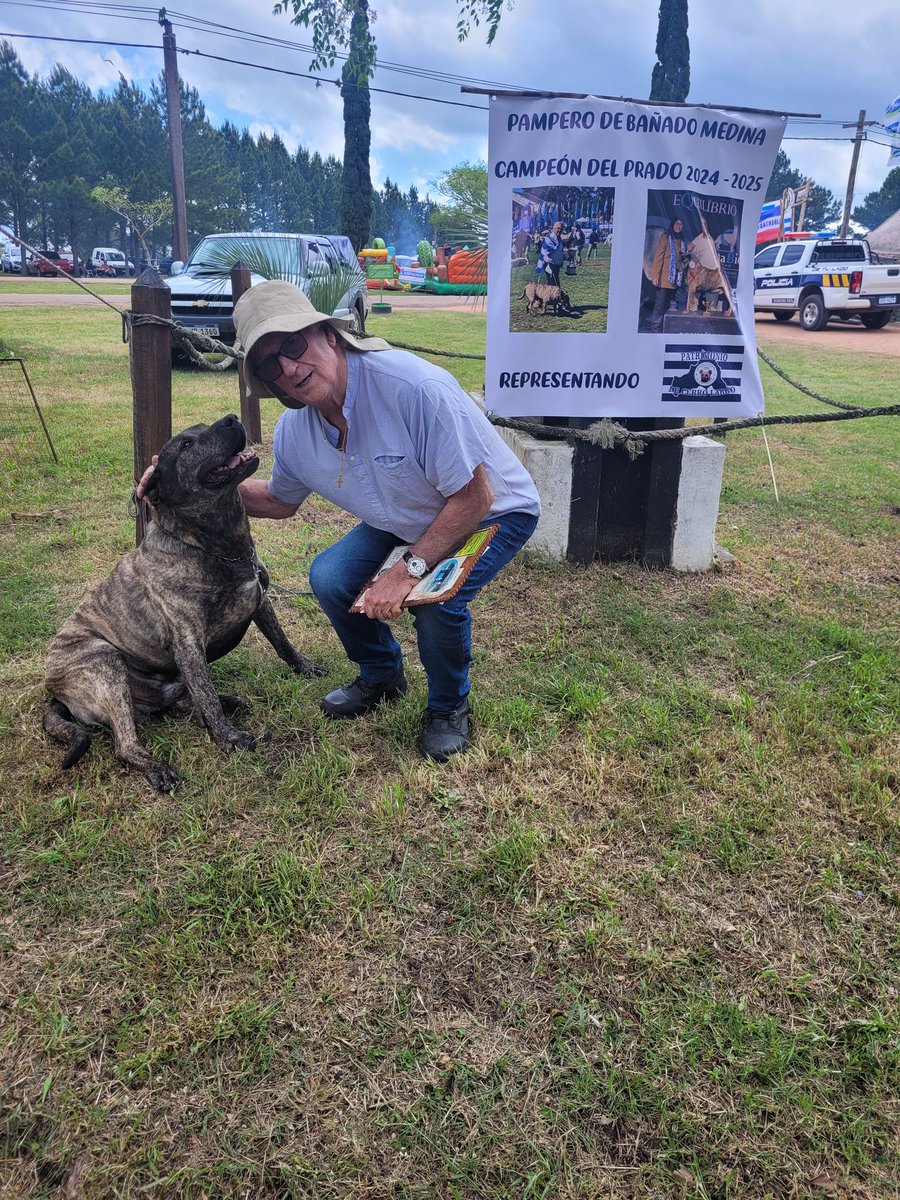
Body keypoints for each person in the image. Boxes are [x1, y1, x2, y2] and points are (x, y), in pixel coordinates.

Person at [204, 280, 540, 761]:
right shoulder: (295, 432)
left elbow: (474, 497)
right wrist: (194, 487)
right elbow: (280, 501)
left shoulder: (413, 388)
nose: (290, 368)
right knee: (330, 576)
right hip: (409, 515)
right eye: (269, 364)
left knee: (434, 601)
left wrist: (407, 573)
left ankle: (448, 709)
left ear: (331, 336)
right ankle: (382, 675)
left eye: (294, 344)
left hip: (493, 511)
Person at [646, 217, 688, 332]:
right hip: (664, 278)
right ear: (672, 225)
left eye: (680, 224)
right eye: (676, 224)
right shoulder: (665, 237)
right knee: (659, 304)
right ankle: (655, 326)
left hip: (675, 280)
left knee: (668, 305)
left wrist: (686, 255)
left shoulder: (682, 241)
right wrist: (655, 276)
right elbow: (659, 257)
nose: (678, 226)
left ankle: (665, 325)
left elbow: (682, 260)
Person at [535, 221, 569, 288]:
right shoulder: (549, 239)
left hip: (556, 266)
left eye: (561, 229)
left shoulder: (559, 239)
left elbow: (558, 251)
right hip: (549, 266)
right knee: (554, 287)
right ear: (553, 229)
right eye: (558, 228)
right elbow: (544, 253)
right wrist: (548, 260)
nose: (560, 230)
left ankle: (547, 297)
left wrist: (565, 257)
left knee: (552, 285)